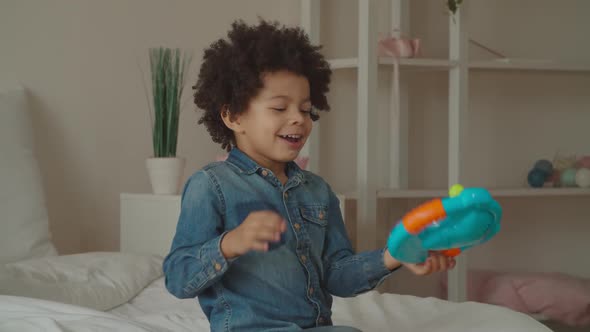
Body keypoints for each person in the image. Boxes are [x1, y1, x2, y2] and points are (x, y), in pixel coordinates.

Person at [163, 19, 455, 332]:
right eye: (279, 108)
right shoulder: (211, 185)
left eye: (305, 109)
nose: (298, 120)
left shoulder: (318, 191)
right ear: (233, 116)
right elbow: (178, 278)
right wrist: (229, 244)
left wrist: (394, 256)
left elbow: (336, 275)